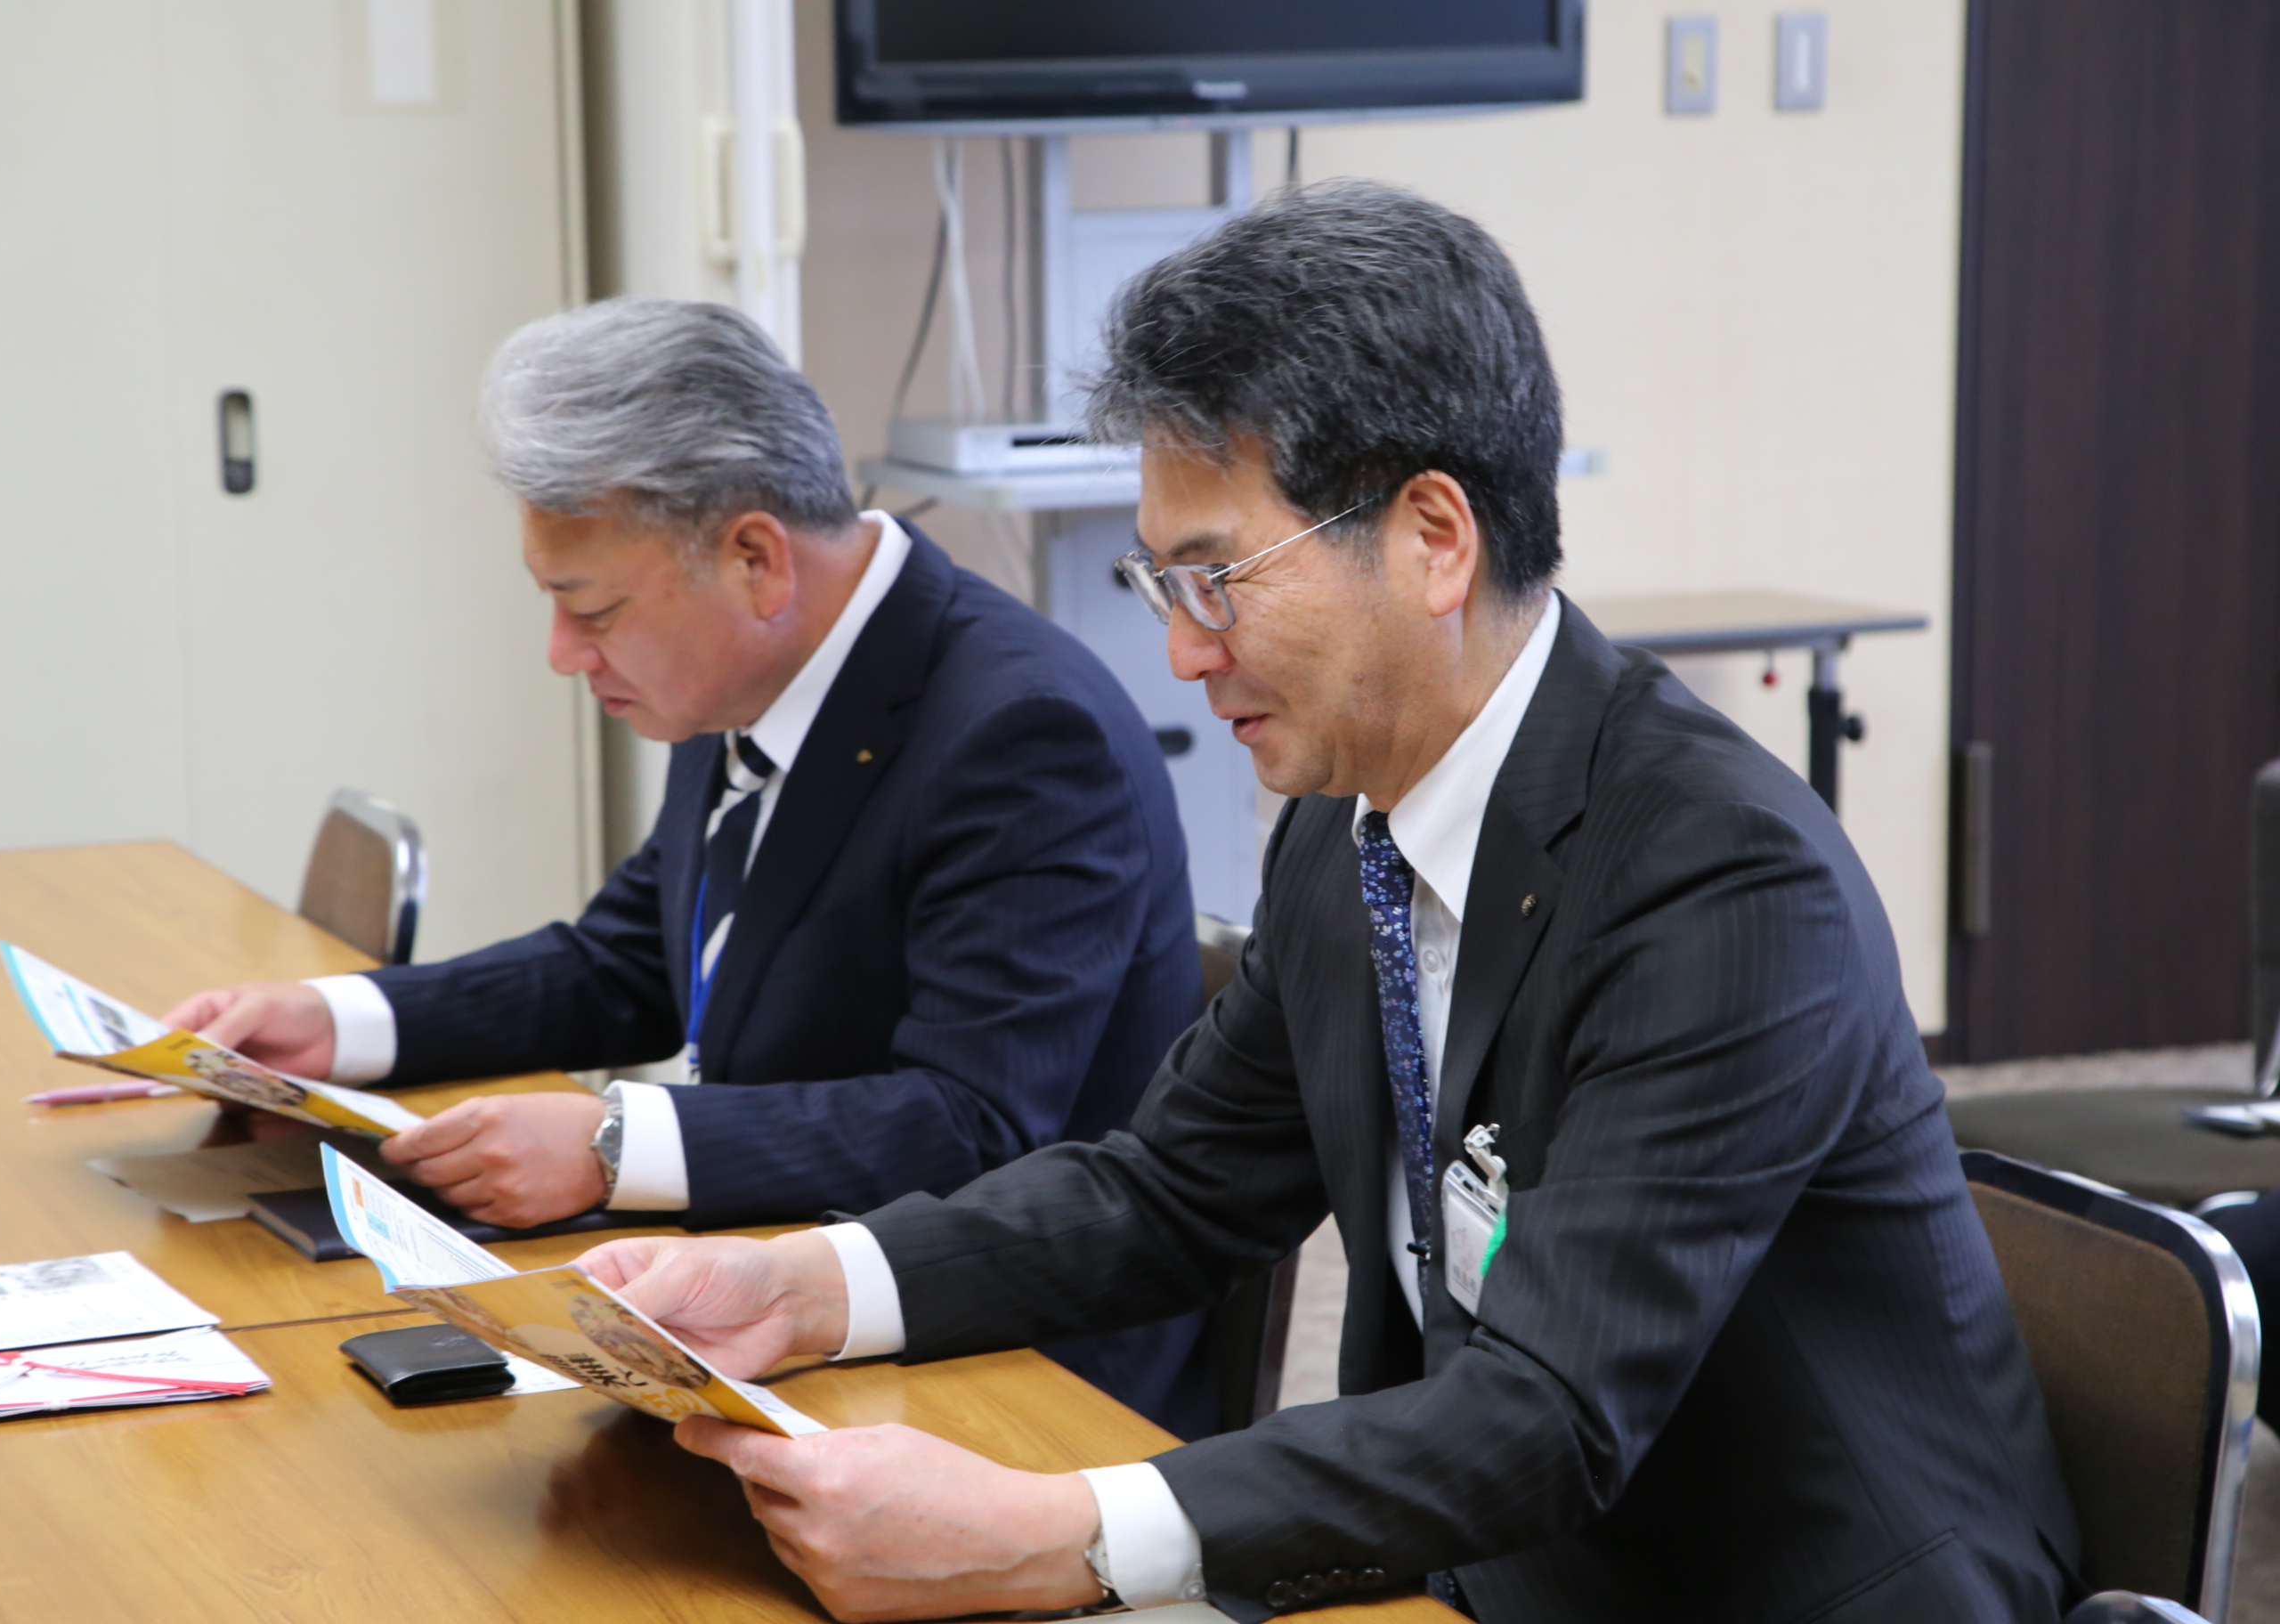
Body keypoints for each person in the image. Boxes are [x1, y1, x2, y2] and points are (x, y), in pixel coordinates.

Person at [570, 183, 2083, 1624]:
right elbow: (1167, 1190)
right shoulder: (1347, 821)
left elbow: (1550, 1410)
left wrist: (1057, 1531)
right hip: (1481, 1562)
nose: (1183, 651)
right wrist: (800, 1285)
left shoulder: (1720, 877)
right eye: (1161, 585)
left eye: (1216, 577)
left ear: (1433, 537)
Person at [163, 298, 1212, 1433]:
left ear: (755, 559)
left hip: (1014, 1377)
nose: (563, 654)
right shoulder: (753, 671)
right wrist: (340, 1021)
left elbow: (973, 1124)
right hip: (768, 1286)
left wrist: (612, 1146)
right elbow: (625, 964)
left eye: (592, 609)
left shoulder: (1024, 732)